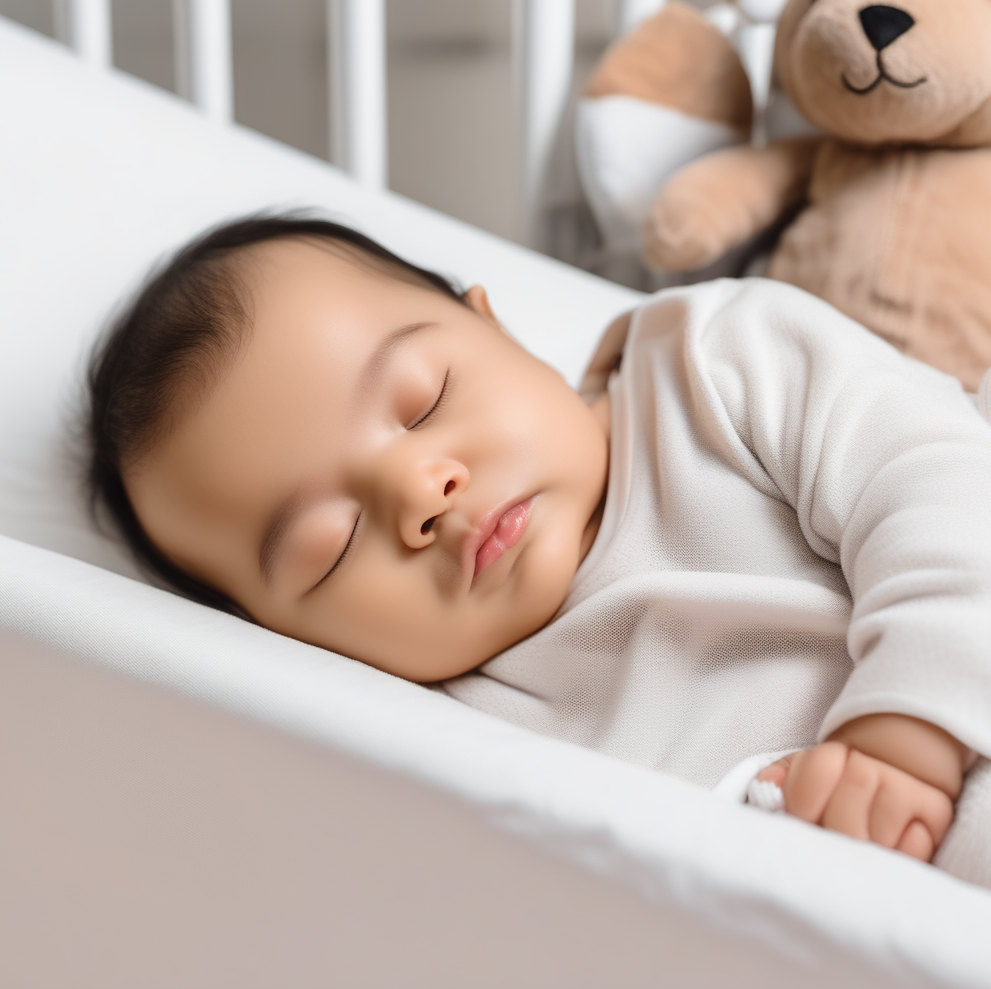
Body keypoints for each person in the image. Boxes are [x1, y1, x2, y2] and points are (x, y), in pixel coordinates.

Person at [87, 215, 991, 883]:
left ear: (498, 328)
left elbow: (941, 479)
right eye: (332, 546)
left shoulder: (712, 366)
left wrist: (905, 735)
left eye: (426, 396)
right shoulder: (461, 743)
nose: (419, 493)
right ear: (288, 637)